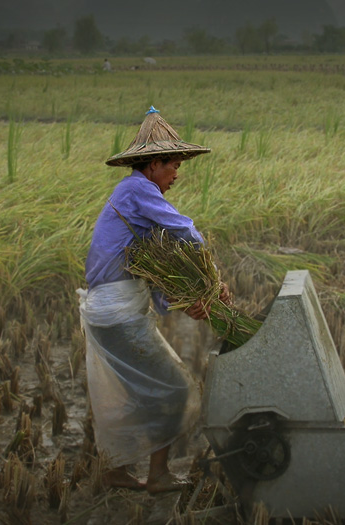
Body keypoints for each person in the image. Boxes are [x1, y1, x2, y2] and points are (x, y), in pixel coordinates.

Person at [78, 107, 230, 493]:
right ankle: (158, 476)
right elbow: (185, 230)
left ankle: (115, 469)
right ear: (151, 165)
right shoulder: (137, 190)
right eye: (173, 166)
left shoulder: (134, 204)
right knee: (174, 390)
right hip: (117, 313)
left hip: (114, 310)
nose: (177, 175)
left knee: (137, 390)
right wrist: (212, 281)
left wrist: (193, 299)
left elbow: (157, 277)